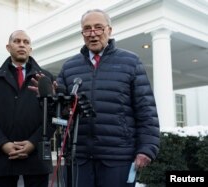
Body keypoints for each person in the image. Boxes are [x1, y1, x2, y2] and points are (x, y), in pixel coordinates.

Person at [55, 9, 160, 187]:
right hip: (79, 158)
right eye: (87, 29)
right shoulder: (69, 67)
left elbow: (146, 109)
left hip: (118, 157)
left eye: (98, 28)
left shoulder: (131, 62)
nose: (93, 34)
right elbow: (61, 112)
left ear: (109, 31)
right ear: (82, 34)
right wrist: (50, 97)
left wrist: (147, 148)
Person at [0, 30, 55, 187]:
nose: (22, 45)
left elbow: (52, 115)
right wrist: (3, 144)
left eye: (26, 42)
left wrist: (33, 142)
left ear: (30, 49)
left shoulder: (45, 78)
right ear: (8, 47)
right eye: (17, 41)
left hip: (37, 155)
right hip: (2, 157)